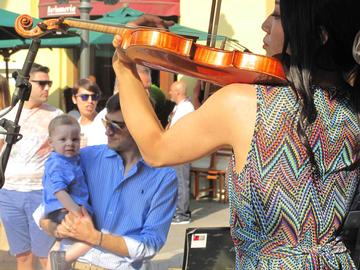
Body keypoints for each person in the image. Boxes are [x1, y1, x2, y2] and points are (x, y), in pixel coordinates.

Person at [112, 1, 360, 268]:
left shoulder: (244, 103)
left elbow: (156, 149)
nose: (265, 25)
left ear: (317, 36)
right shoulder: (353, 108)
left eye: (277, 17)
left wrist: (124, 67)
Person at [41, 93, 177, 270]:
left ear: (141, 127)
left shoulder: (164, 177)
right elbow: (42, 212)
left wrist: (96, 238)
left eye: (117, 125)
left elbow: (151, 244)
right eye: (107, 122)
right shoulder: (84, 157)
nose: (108, 130)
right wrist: (56, 229)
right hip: (73, 263)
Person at [0, 63, 63, 270]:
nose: (47, 88)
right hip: (9, 193)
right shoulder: (7, 115)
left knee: (47, 255)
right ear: (26, 85)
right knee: (23, 255)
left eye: (49, 83)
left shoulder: (56, 115)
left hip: (41, 193)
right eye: (42, 83)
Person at [42, 114, 93, 270]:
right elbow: (59, 191)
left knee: (60, 240)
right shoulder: (58, 163)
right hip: (65, 209)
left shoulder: (69, 159)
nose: (70, 143)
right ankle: (63, 259)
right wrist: (78, 212)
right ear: (51, 142)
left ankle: (53, 263)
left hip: (61, 210)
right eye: (63, 140)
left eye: (75, 139)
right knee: (91, 238)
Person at [167, 81, 195, 224]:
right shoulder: (180, 107)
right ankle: (178, 211)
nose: (169, 93)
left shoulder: (186, 108)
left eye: (171, 91)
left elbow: (182, 129)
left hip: (182, 150)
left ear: (178, 92)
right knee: (177, 180)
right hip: (176, 150)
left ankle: (183, 214)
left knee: (181, 181)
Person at [71, 78, 107, 147]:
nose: (90, 101)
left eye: (94, 97)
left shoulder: (105, 120)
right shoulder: (73, 128)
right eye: (84, 97)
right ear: (74, 99)